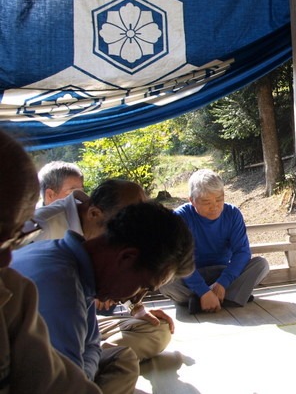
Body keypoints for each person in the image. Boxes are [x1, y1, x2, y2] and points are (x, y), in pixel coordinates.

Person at [11, 200, 194, 394]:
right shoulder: (63, 290)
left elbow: (92, 345)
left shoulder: (66, 260)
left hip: (60, 372)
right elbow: (66, 387)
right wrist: (85, 373)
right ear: (127, 258)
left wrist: (84, 370)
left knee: (123, 358)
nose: (134, 296)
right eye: (143, 286)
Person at [25, 178, 175, 361]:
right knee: (118, 365)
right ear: (94, 214)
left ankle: (94, 358)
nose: (128, 235)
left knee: (157, 330)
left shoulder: (104, 228)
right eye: (122, 227)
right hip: (38, 326)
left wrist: (136, 308)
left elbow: (120, 274)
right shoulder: (43, 226)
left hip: (84, 321)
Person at [0, 128, 101, 393]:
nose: (9, 257)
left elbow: (54, 380)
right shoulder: (45, 229)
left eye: (14, 239)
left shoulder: (13, 292)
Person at [159, 169, 270, 315]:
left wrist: (223, 283)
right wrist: (203, 290)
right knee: (166, 281)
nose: (215, 206)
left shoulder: (232, 214)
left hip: (222, 272)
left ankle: (200, 299)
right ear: (191, 200)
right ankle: (227, 297)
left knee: (261, 265)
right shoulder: (180, 218)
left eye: (219, 199)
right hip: (190, 274)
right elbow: (178, 260)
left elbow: (242, 252)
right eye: (206, 202)